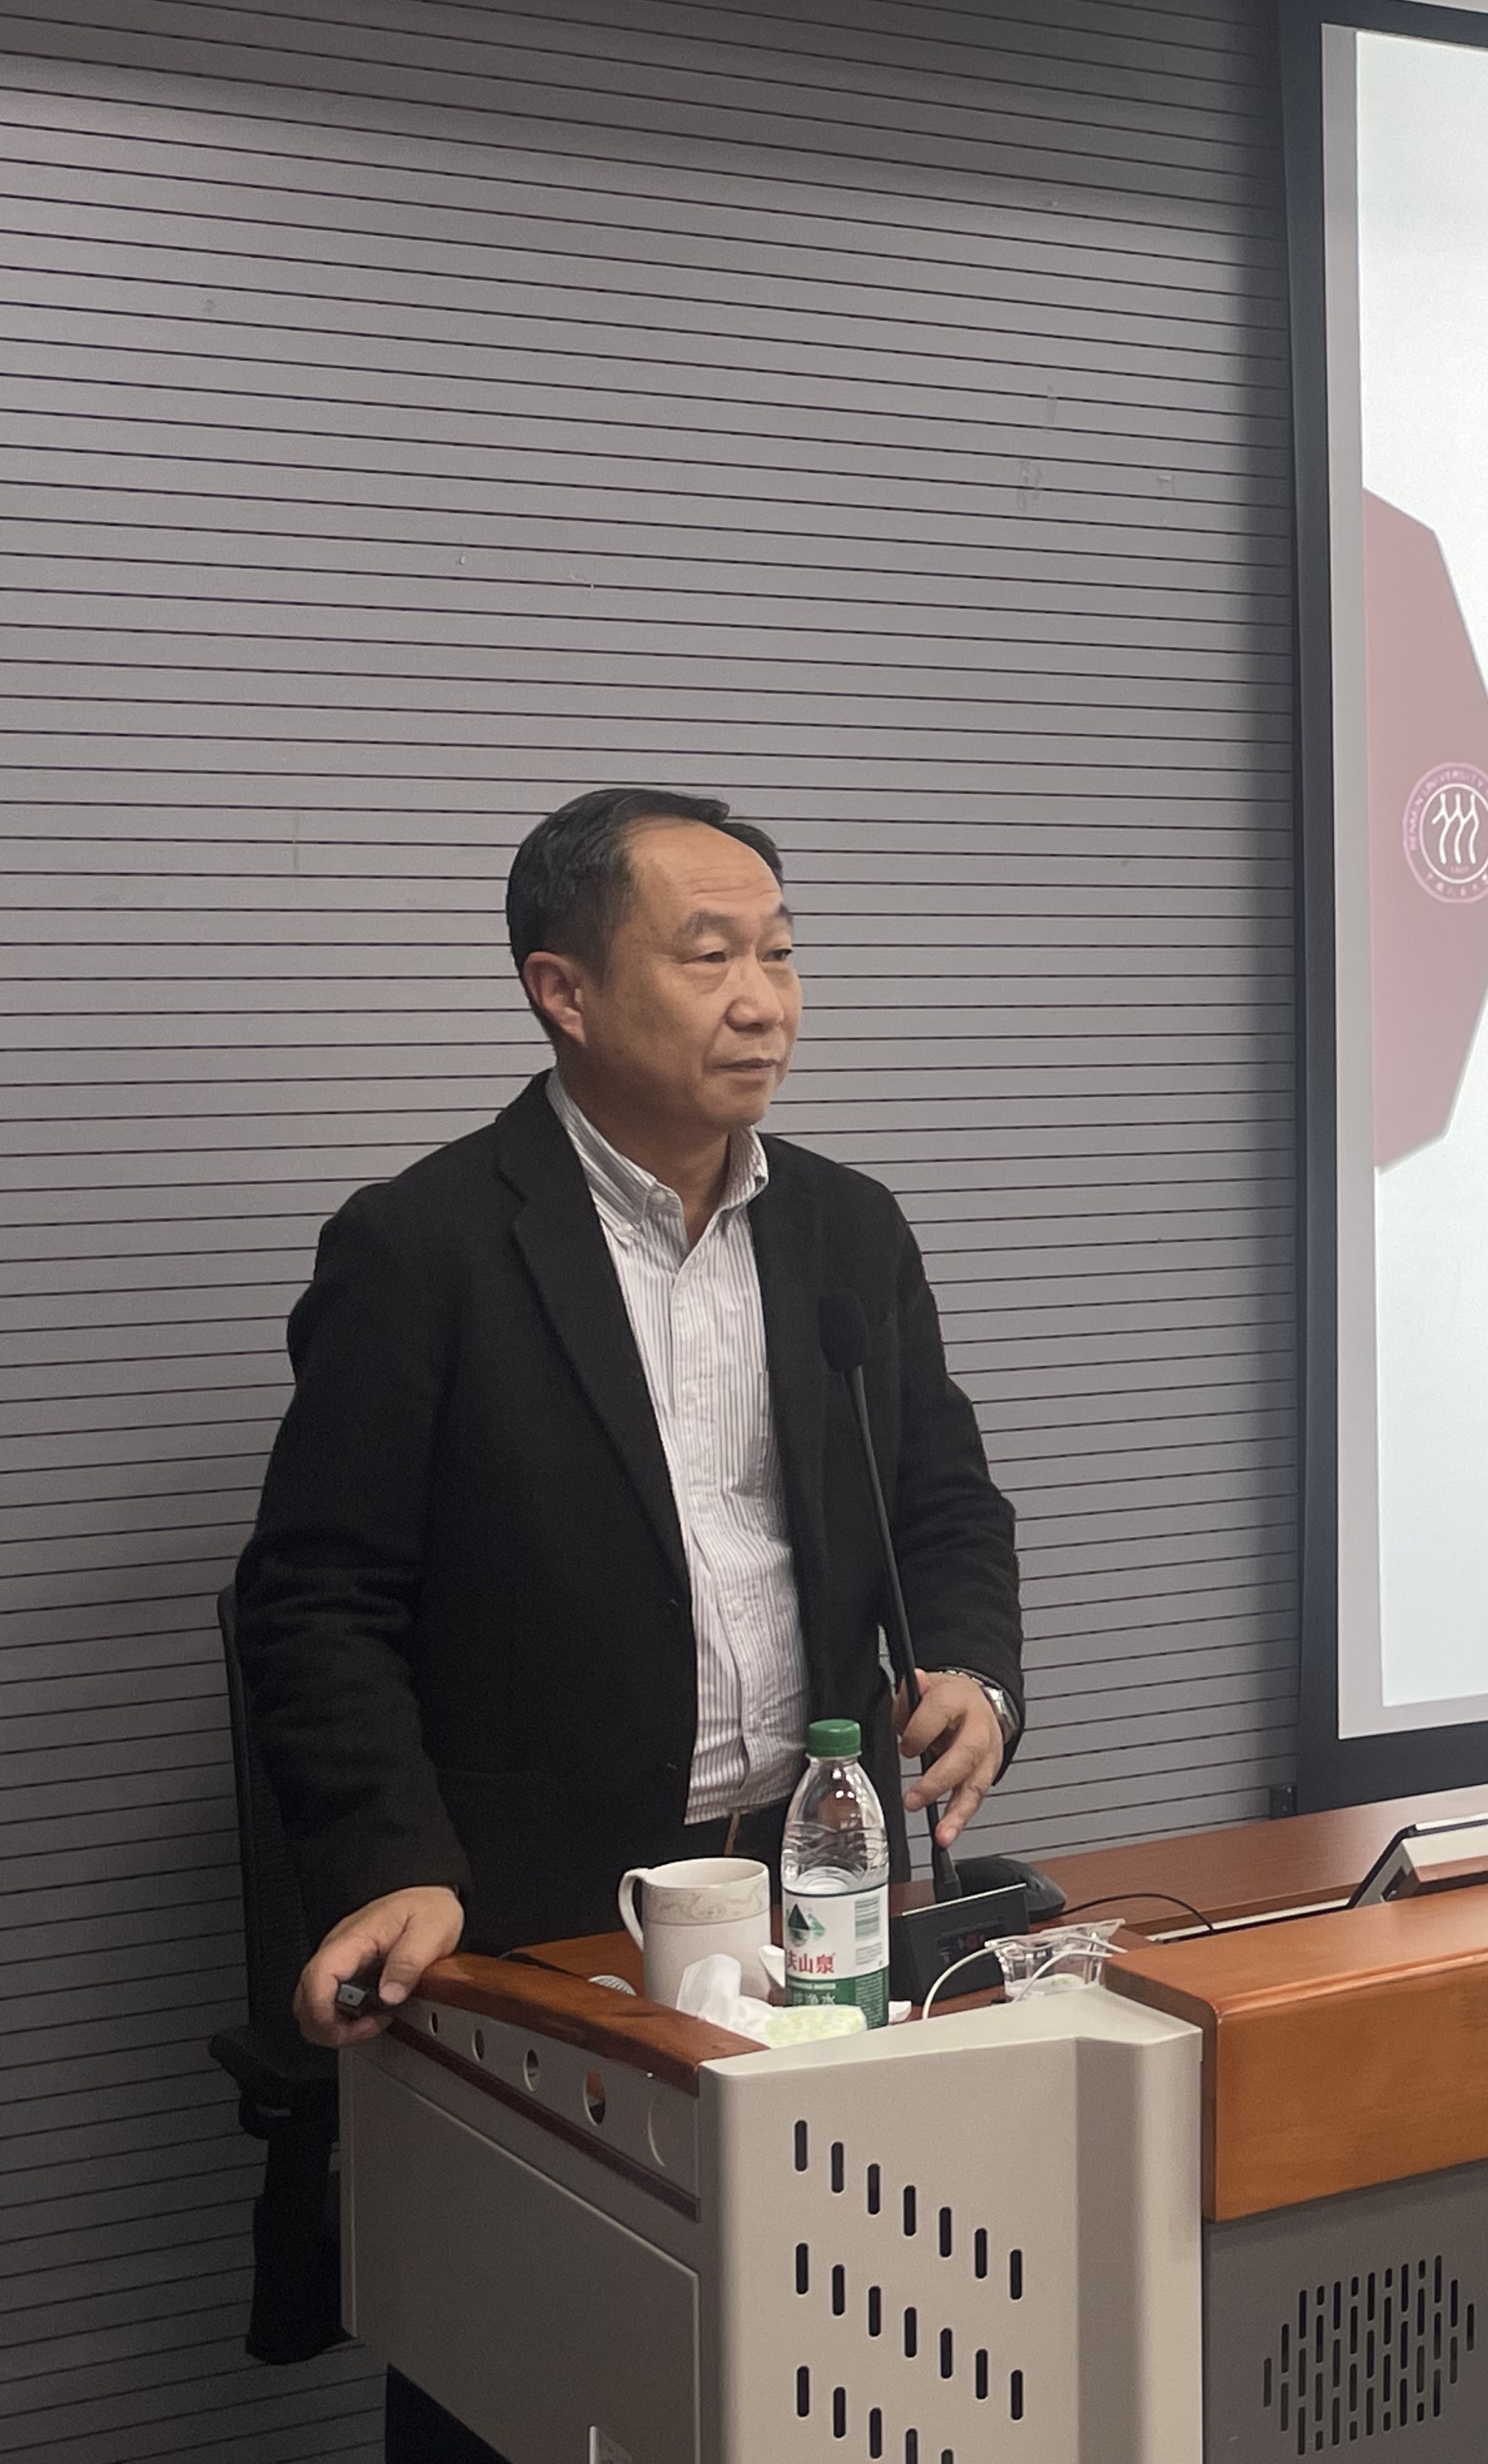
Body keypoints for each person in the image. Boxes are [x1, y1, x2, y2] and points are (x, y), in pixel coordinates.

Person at [234, 789, 1026, 2460]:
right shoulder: (424, 1245)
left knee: (811, 2337)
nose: (763, 999)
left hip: (812, 1876)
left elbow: (945, 1495)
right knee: (523, 2362)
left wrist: (968, 1665)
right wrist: (388, 1859)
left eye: (782, 953)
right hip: (534, 1914)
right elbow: (319, 1594)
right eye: (709, 954)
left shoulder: (847, 1228)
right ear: (564, 988)